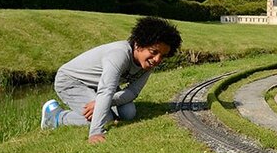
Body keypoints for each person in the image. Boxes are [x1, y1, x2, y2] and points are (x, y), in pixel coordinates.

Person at [40, 16, 182, 144]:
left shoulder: (149, 64)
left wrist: (104, 102)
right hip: (70, 81)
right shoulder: (119, 54)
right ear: (138, 45)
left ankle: (99, 108)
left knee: (129, 113)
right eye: (153, 52)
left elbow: (133, 92)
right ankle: (56, 117)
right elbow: (106, 90)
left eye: (162, 56)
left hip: (101, 86)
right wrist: (96, 132)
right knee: (106, 119)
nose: (157, 59)